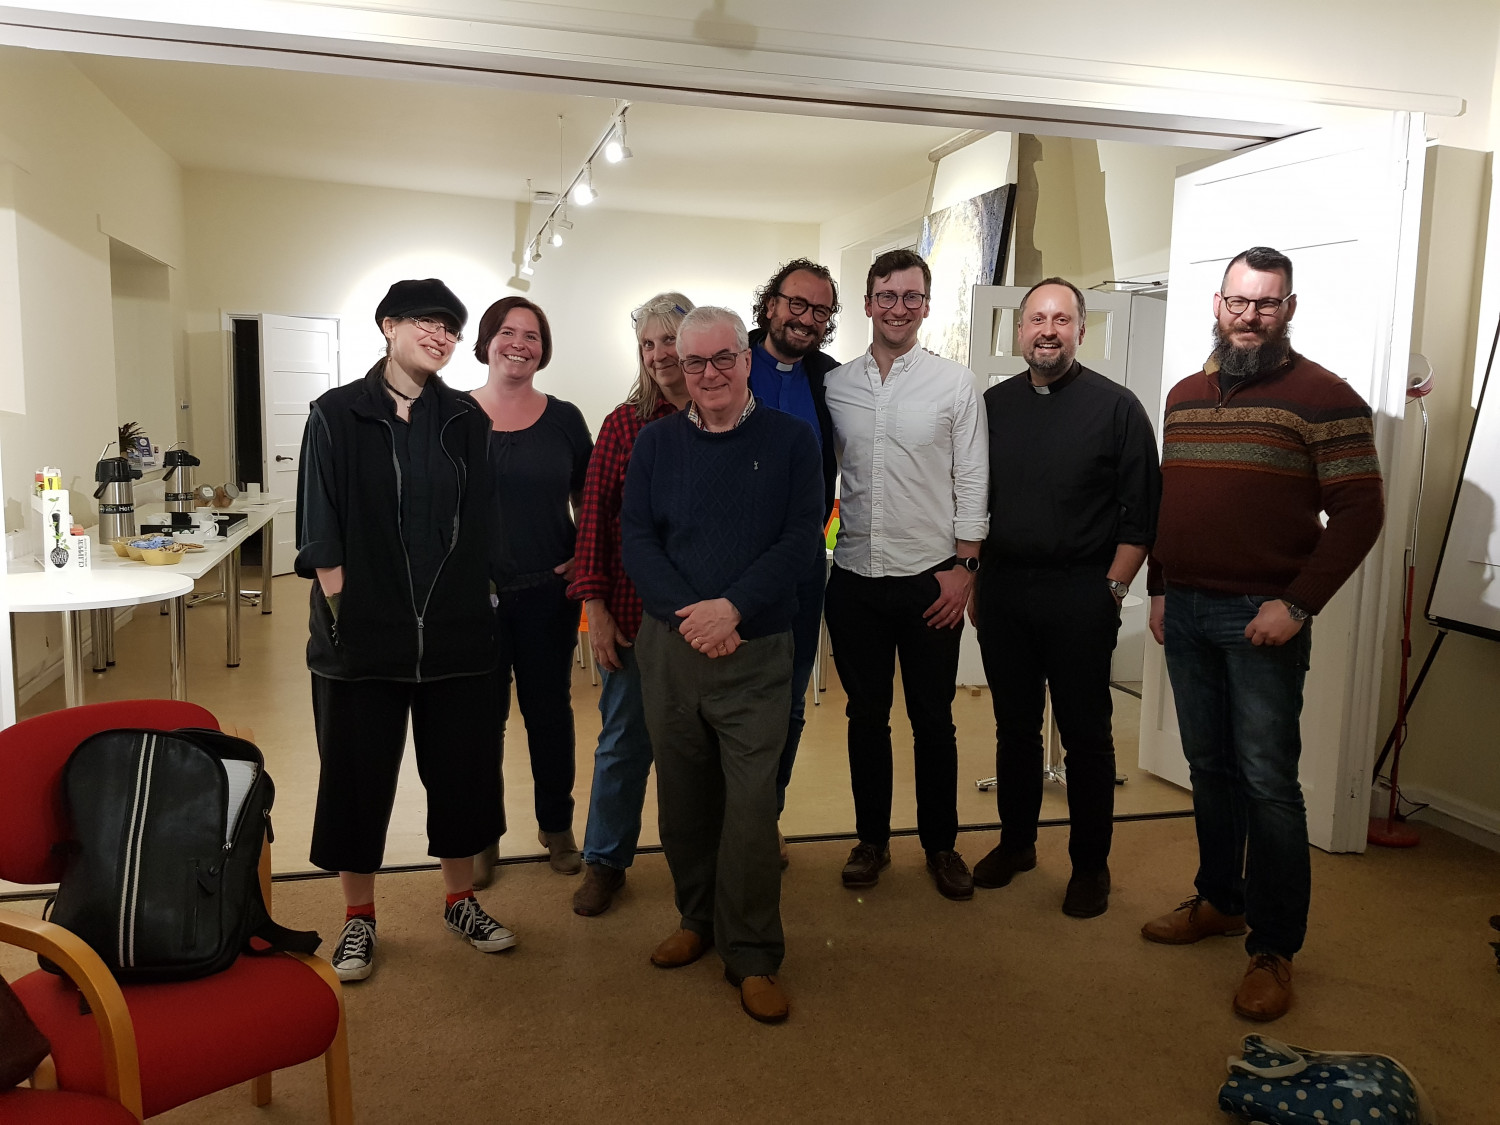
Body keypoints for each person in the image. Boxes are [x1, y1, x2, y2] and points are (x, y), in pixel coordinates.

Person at [1141, 247, 1384, 1021]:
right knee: (1207, 765)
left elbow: (1361, 513)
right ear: (1217, 303)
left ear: (1289, 308)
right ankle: (1221, 898)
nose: (1250, 316)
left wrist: (1300, 602)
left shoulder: (1326, 397)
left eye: (1267, 303)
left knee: (1269, 781)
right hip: (1185, 610)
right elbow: (1167, 502)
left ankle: (1274, 948)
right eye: (1239, 302)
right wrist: (1158, 585)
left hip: (1261, 615)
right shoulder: (1182, 396)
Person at [296, 278, 516, 983]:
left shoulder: (466, 419)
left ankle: (460, 899)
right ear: (388, 325)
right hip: (363, 637)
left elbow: (481, 523)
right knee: (358, 781)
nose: (442, 334)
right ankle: (358, 918)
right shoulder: (336, 413)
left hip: (454, 636)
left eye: (452, 326)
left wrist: (483, 601)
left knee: (460, 774)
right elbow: (320, 530)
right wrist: (342, 612)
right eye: (427, 320)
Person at [622, 306, 821, 1024]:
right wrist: (691, 615)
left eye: (722, 359)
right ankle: (696, 920)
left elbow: (804, 537)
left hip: (757, 649)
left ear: (747, 359)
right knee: (682, 801)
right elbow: (638, 540)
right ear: (679, 362)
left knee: (748, 809)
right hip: (673, 650)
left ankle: (755, 953)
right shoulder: (655, 445)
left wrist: (732, 607)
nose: (708, 374)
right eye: (694, 361)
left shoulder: (793, 441)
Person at [969, 277, 1161, 919]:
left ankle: (1089, 867)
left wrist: (1111, 588)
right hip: (1003, 593)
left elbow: (1142, 514)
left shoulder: (1117, 408)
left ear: (1081, 330)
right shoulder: (993, 406)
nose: (1047, 330)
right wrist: (976, 580)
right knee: (1014, 728)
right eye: (1035, 319)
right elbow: (969, 500)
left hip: (1082, 594)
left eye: (1061, 319)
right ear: (1019, 330)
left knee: (1086, 736)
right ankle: (1017, 844)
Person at [822, 248, 989, 901]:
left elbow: (973, 477)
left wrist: (965, 568)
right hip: (856, 576)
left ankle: (941, 845)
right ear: (867, 303)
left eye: (911, 296)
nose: (898, 307)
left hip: (932, 580)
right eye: (886, 295)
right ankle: (871, 839)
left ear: (925, 304)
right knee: (865, 715)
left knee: (934, 718)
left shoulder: (954, 384)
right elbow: (819, 475)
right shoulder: (835, 386)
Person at [567, 292, 695, 916]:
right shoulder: (624, 423)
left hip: (706, 618)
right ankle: (604, 860)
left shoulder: (722, 415)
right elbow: (593, 520)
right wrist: (595, 605)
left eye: (668, 340)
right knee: (622, 741)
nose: (658, 354)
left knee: (704, 746)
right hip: (634, 612)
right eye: (647, 345)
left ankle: (706, 856)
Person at [468, 296, 594, 883]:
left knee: (549, 714)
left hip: (548, 594)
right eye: (508, 332)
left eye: (533, 336)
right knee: (480, 719)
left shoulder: (565, 418)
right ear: (488, 339)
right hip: (475, 598)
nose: (519, 344)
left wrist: (582, 553)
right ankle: (481, 833)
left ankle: (557, 826)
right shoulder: (454, 415)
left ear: (543, 350)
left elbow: (589, 496)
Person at [747, 260, 841, 864]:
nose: (805, 319)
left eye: (819, 311)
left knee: (785, 700)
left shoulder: (831, 380)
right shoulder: (725, 358)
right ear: (770, 303)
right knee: (718, 702)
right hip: (726, 565)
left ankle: (763, 821)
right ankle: (718, 825)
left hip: (803, 567)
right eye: (796, 304)